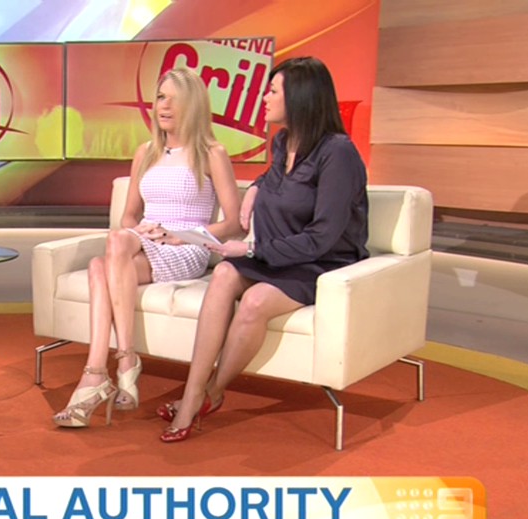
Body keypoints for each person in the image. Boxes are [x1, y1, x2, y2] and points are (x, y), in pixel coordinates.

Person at [158, 56, 369, 443]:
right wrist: (256, 186)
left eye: (272, 91)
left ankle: (210, 393)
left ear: (301, 96)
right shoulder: (284, 142)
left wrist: (252, 250)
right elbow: (277, 178)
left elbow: (323, 236)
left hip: (319, 263)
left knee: (254, 301)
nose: (264, 98)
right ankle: (193, 390)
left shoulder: (338, 153)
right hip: (275, 254)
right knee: (223, 273)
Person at [53, 66, 242, 428]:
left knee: (108, 253)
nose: (163, 106)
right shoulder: (146, 152)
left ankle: (121, 362)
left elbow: (234, 223)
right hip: (146, 241)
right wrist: (140, 229)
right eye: (160, 97)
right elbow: (128, 216)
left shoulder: (212, 153)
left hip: (186, 248)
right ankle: (98, 372)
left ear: (193, 106)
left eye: (174, 99)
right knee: (101, 263)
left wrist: (181, 235)